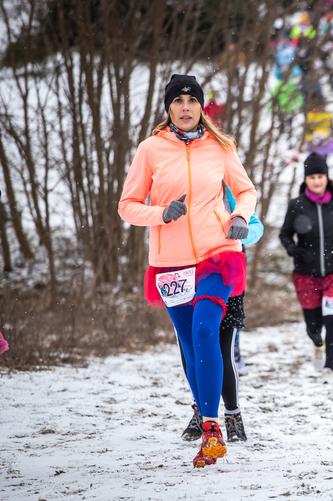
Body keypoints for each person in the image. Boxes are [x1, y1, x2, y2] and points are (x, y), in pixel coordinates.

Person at [118, 74, 257, 468]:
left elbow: (245, 190)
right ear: (168, 108)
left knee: (204, 329)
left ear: (200, 107)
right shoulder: (150, 149)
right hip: (171, 262)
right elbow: (127, 205)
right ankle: (206, 412)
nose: (184, 108)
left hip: (218, 253)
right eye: (177, 102)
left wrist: (240, 217)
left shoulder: (220, 146)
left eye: (191, 101)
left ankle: (211, 427)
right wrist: (161, 213)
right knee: (190, 344)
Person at [180, 186, 264, 444]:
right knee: (191, 350)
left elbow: (256, 226)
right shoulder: (179, 184)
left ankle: (232, 414)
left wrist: (243, 230)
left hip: (225, 278)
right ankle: (202, 411)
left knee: (221, 349)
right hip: (186, 275)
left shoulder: (229, 190)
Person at [279, 153, 333, 373]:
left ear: (326, 177)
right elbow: (285, 235)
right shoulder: (296, 205)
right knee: (313, 326)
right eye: (312, 177)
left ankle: (329, 366)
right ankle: (317, 343)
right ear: (306, 179)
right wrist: (293, 250)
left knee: (332, 321)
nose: (316, 181)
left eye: (320, 176)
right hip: (307, 273)